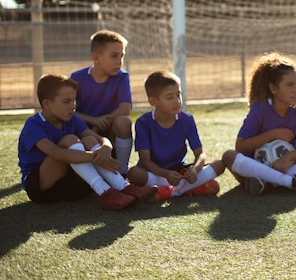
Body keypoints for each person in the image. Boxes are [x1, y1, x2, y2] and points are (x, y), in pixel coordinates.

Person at [18, 74, 157, 210]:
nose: (72, 106)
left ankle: (124, 187)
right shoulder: (34, 125)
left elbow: (98, 138)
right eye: (66, 102)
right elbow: (57, 154)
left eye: (74, 101)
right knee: (70, 140)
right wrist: (95, 157)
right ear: (47, 104)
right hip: (41, 188)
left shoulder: (72, 119)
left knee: (89, 139)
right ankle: (105, 192)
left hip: (68, 184)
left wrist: (105, 148)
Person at [221, 52, 296, 196]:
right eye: (290, 85)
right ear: (273, 89)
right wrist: (273, 134)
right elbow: (241, 146)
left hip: (286, 166)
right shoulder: (259, 109)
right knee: (228, 156)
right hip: (257, 167)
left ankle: (268, 183)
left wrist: (287, 158)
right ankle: (291, 182)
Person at [127, 71, 224, 200]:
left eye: (178, 95)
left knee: (219, 164)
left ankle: (167, 192)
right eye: (169, 97)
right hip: (156, 173)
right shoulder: (143, 123)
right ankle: (185, 189)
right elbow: (145, 161)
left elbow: (200, 154)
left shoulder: (187, 119)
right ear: (153, 101)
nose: (177, 101)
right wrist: (165, 173)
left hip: (179, 172)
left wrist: (194, 171)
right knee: (134, 174)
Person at [71, 30, 134, 175]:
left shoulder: (122, 77)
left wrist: (103, 122)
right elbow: (69, 111)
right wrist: (94, 121)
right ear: (96, 58)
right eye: (114, 56)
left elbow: (125, 108)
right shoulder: (77, 78)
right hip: (85, 129)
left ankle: (122, 170)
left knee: (124, 122)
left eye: (121, 56)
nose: (119, 61)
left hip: (108, 128)